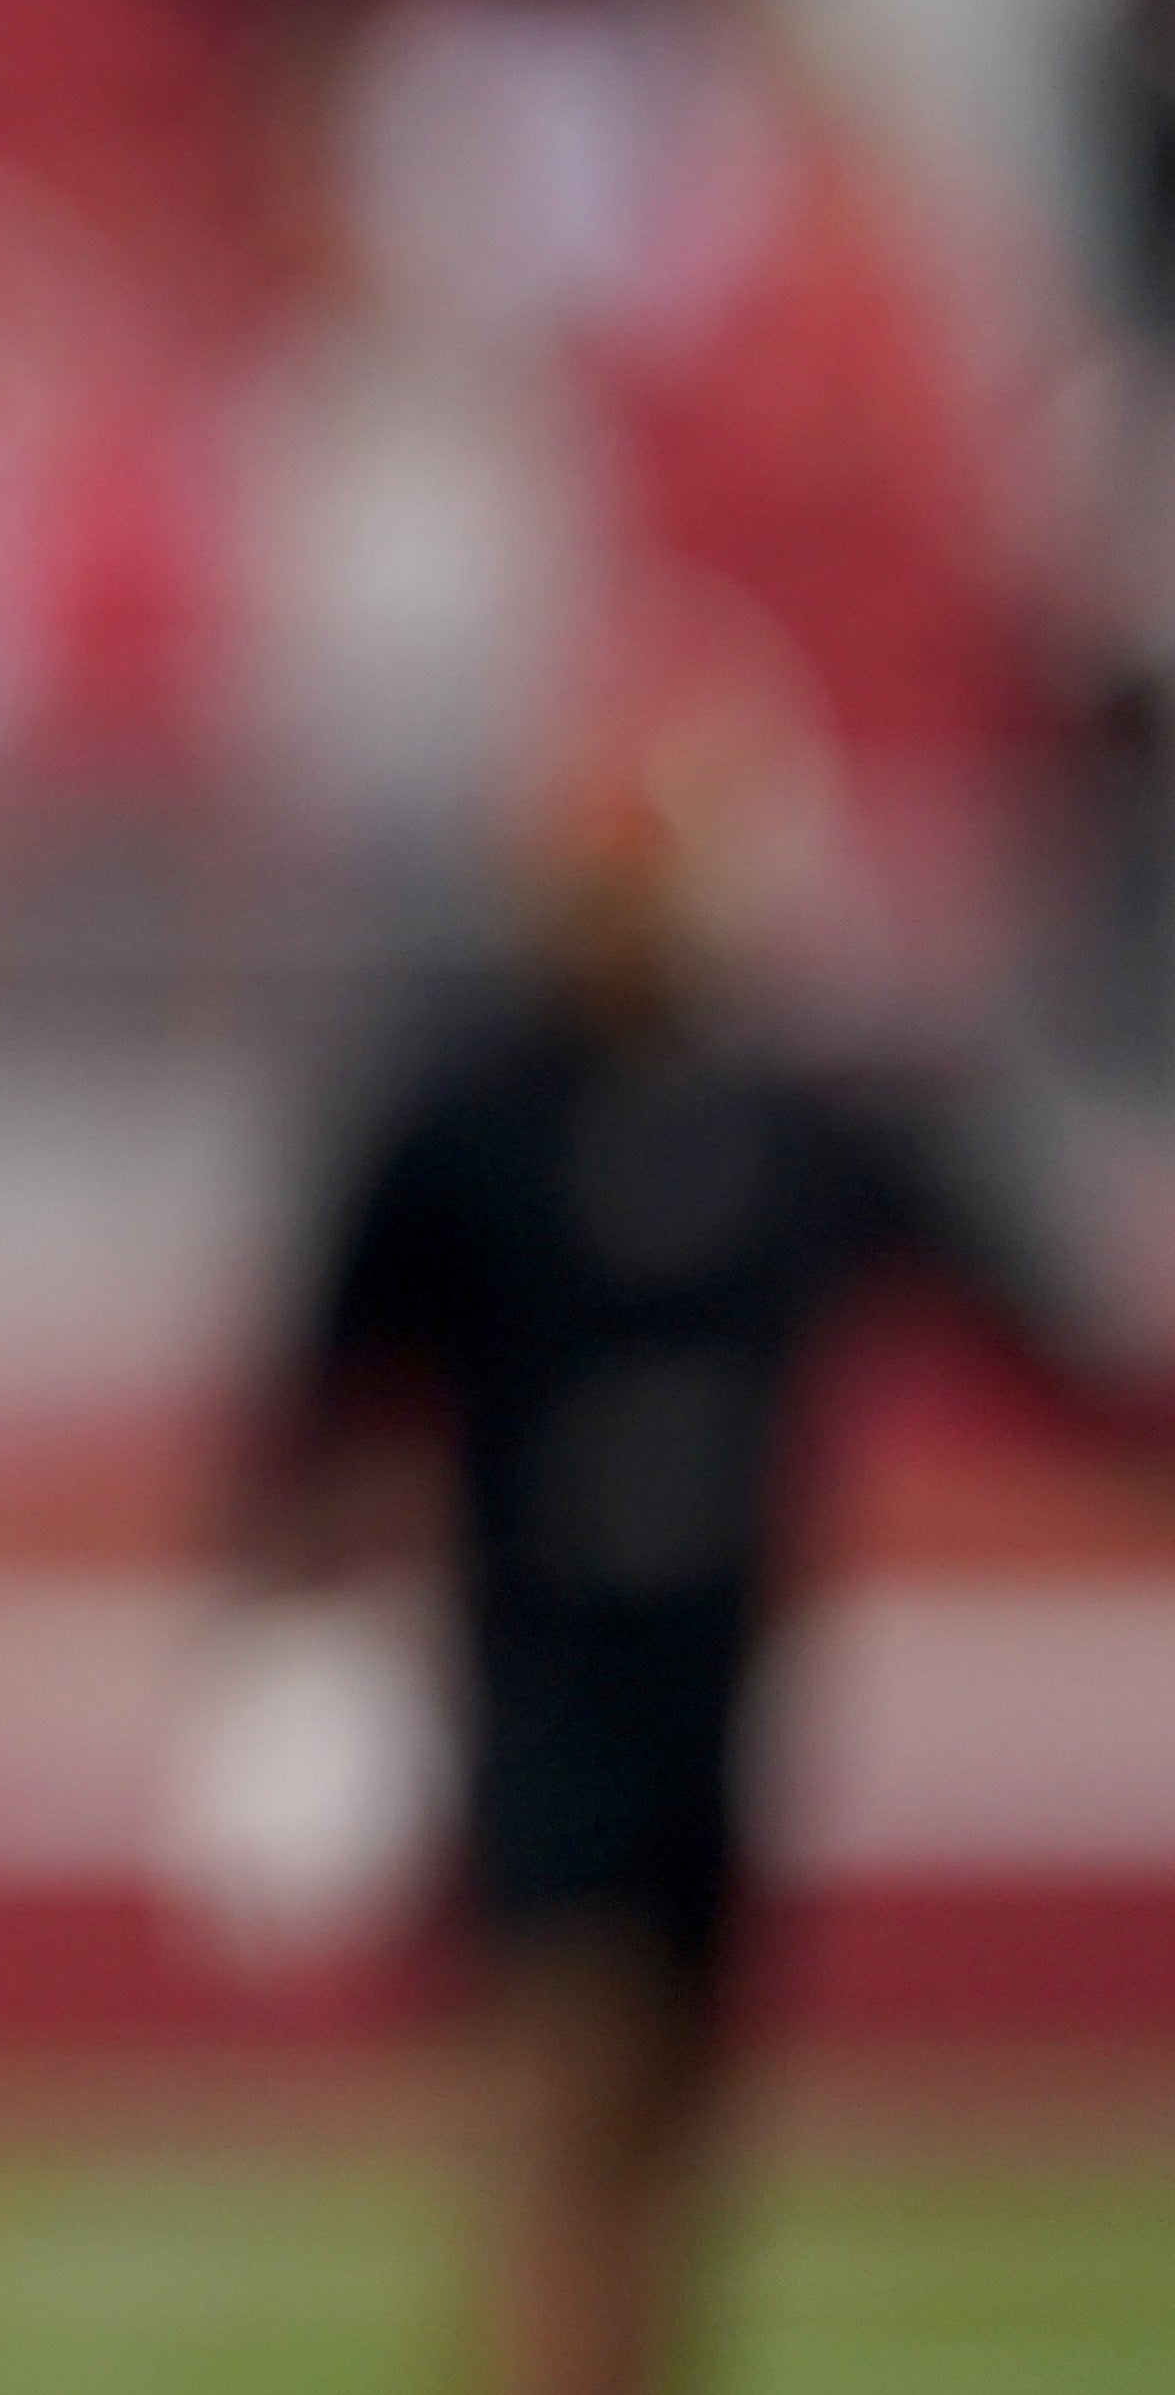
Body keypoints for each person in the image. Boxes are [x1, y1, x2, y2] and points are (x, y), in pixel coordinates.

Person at [249, 736, 1158, 2395]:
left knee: (679, 2138)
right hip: (536, 1696)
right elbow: (318, 1387)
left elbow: (1028, 1324)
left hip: (717, 1698)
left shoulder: (792, 1121)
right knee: (562, 2116)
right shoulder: (465, 1119)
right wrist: (297, 1614)